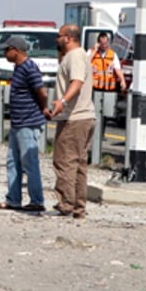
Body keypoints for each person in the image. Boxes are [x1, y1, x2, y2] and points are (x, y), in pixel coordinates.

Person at [44, 24, 97, 219]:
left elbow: (77, 81)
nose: (56, 39)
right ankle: (78, 206)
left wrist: (63, 101)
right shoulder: (75, 56)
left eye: (59, 36)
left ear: (68, 38)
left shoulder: (75, 56)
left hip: (74, 117)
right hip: (83, 117)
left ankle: (67, 203)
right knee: (78, 164)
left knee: (64, 161)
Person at [0, 37, 48, 213]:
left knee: (29, 163)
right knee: (12, 162)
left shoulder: (29, 68)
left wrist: (43, 108)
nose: (5, 53)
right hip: (18, 123)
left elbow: (41, 91)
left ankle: (37, 200)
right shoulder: (18, 68)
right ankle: (13, 199)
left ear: (16, 50)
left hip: (28, 122)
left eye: (7, 50)